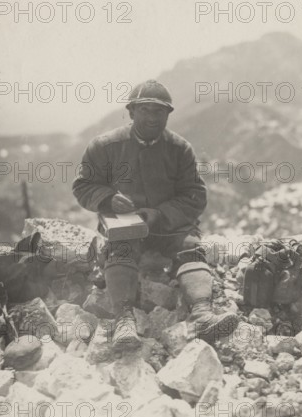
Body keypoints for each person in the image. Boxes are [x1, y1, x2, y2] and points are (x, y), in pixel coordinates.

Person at [73, 79, 239, 351]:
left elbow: (195, 195)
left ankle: (201, 316)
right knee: (120, 250)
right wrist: (108, 199)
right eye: (145, 110)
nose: (152, 117)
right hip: (124, 227)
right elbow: (83, 186)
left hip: (167, 226)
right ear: (131, 112)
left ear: (168, 115)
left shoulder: (180, 148)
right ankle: (124, 321)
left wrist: (159, 214)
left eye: (159, 111)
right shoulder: (104, 146)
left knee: (191, 246)